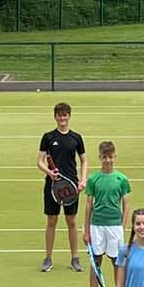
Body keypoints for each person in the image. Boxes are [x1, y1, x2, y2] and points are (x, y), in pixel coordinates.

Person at [80, 140, 131, 287]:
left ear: (115, 157)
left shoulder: (122, 179)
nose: (107, 160)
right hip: (96, 226)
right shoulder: (93, 179)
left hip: (115, 227)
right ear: (100, 157)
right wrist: (86, 231)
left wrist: (122, 228)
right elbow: (88, 206)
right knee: (96, 263)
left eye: (110, 157)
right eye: (104, 157)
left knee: (117, 264)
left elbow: (126, 205)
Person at [38, 102, 87, 274]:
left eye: (65, 115)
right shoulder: (48, 137)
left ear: (69, 116)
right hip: (52, 186)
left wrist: (83, 180)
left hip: (71, 186)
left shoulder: (76, 138)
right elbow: (40, 161)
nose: (62, 118)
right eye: (59, 115)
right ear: (55, 117)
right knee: (51, 221)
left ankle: (75, 258)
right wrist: (50, 173)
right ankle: (48, 258)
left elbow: (84, 160)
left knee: (71, 222)